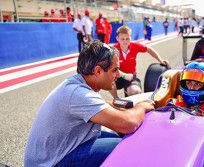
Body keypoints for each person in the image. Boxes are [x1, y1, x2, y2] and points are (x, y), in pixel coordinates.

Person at [24, 41, 155, 167]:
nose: (118, 75)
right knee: (126, 147)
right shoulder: (78, 93)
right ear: (98, 71)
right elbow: (128, 124)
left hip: (58, 152)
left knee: (117, 135)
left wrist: (131, 109)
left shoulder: (79, 84)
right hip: (51, 163)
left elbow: (106, 105)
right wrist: (141, 107)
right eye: (115, 70)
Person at [110, 25, 169, 98]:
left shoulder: (134, 46)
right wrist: (124, 75)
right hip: (118, 76)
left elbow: (148, 49)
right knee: (108, 79)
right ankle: (116, 100)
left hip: (131, 76)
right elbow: (110, 68)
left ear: (130, 38)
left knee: (135, 91)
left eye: (127, 39)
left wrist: (160, 60)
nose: (125, 41)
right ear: (117, 38)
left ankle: (128, 93)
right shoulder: (113, 50)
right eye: (122, 39)